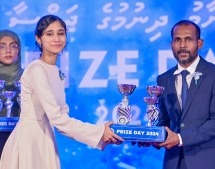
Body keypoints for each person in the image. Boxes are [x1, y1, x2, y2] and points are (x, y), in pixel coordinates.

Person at [0, 14, 123, 169]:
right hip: (30, 141)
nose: (56, 39)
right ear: (38, 39)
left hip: (46, 139)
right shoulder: (36, 69)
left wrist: (101, 135)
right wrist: (98, 132)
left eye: (61, 33)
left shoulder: (58, 72)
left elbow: (62, 120)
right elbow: (57, 118)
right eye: (49, 34)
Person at [153, 20, 215, 169]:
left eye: (188, 39)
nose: (182, 45)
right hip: (174, 162)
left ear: (199, 43)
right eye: (177, 40)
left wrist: (180, 138)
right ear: (171, 45)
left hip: (208, 162)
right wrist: (152, 136)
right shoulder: (163, 79)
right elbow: (165, 120)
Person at [0, 30, 23, 158]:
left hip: (22, 138)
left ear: (18, 50)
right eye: (2, 46)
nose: (8, 50)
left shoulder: (29, 77)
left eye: (13, 45)